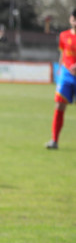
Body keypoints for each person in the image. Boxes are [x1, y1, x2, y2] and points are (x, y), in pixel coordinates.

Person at [47, 8, 76, 149]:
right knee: (59, 105)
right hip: (66, 75)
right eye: (73, 17)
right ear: (71, 19)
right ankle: (54, 140)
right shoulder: (64, 35)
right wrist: (59, 70)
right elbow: (63, 54)